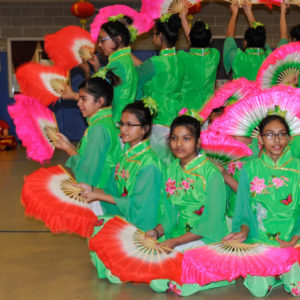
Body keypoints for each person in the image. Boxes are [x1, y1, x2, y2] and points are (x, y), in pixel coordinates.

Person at [146, 115, 231, 296]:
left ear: (198, 142)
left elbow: (211, 222)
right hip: (178, 236)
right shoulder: (172, 170)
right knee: (156, 280)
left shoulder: (212, 173)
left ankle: (213, 273)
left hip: (208, 238)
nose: (179, 144)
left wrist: (175, 242)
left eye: (186, 139)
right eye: (174, 138)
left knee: (175, 278)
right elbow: (168, 215)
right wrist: (157, 232)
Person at [224, 114, 300, 297]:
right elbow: (244, 208)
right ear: (260, 138)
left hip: (292, 240)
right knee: (259, 291)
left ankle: (285, 273)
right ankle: (273, 276)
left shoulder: (298, 168)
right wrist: (243, 231)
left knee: (296, 288)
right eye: (269, 134)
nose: (276, 140)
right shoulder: (250, 169)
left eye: (282, 134)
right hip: (260, 240)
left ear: (289, 138)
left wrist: (294, 239)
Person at [80, 100, 165, 231]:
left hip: (143, 229)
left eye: (130, 125)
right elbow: (111, 191)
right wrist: (90, 189)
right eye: (122, 124)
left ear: (145, 129)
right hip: (125, 217)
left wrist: (97, 196)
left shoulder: (149, 163)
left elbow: (140, 207)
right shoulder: (126, 155)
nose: (123, 129)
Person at [55, 71, 122, 215]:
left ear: (100, 101)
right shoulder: (106, 123)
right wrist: (70, 145)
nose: (78, 103)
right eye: (79, 98)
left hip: (98, 197)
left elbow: (88, 172)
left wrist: (68, 149)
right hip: (105, 193)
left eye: (84, 99)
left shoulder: (99, 128)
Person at [63, 16, 138, 123]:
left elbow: (99, 94)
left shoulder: (118, 63)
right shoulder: (124, 59)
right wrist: (96, 67)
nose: (99, 45)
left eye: (102, 40)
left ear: (118, 39)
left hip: (115, 120)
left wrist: (86, 71)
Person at [136, 13, 184, 165]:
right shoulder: (182, 59)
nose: (152, 37)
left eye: (154, 33)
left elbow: (137, 78)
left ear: (161, 35)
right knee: (174, 165)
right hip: (177, 119)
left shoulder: (154, 62)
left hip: (157, 121)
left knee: (156, 165)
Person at [178, 8, 220, 110]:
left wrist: (183, 17)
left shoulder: (182, 57)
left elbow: (193, 42)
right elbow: (194, 42)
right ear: (210, 40)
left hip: (186, 110)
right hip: (207, 110)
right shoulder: (215, 55)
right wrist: (183, 18)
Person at [223, 1, 271, 80]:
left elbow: (229, 38)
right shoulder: (269, 57)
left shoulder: (236, 56)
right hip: (262, 92)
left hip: (240, 93)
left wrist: (234, 14)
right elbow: (259, 36)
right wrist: (249, 12)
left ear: (245, 42)